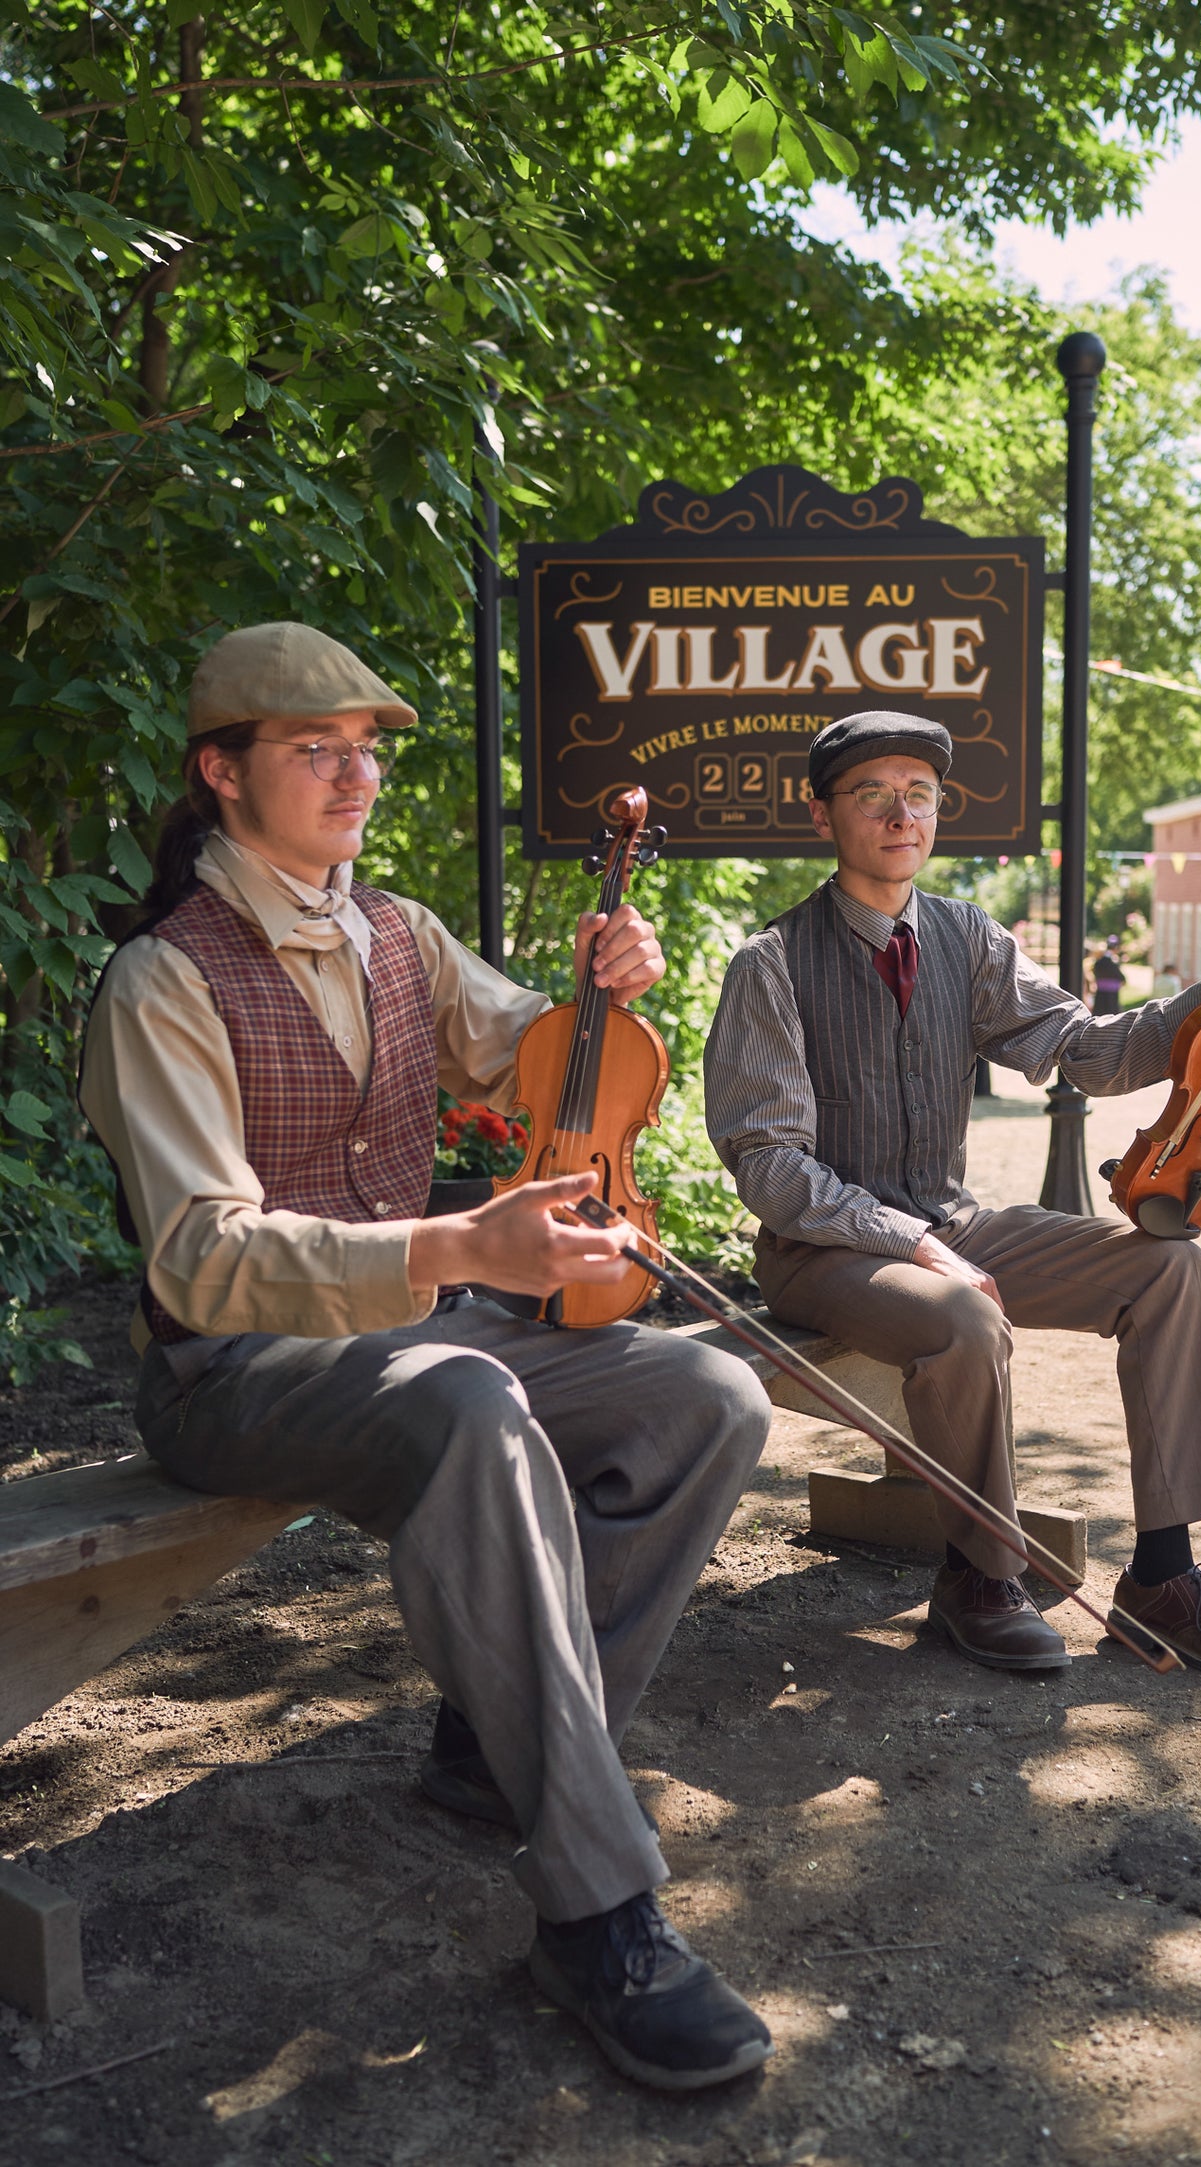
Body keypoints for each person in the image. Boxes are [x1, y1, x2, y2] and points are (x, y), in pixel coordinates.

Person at [80, 622, 775, 2092]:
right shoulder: (163, 978)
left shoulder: (394, 929)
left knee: (706, 1387)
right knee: (471, 1396)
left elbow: (527, 1048)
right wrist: (456, 1250)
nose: (358, 771)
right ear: (223, 773)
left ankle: (490, 1747)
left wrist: (602, 987)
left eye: (368, 744)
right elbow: (199, 1257)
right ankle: (596, 1908)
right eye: (314, 746)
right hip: (234, 1371)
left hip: (413, 1329)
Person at [704, 710, 1201, 1687]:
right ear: (822, 814)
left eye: (918, 792)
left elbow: (1084, 1049)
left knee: (1166, 1266)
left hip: (948, 1222)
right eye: (871, 792)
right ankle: (976, 1576)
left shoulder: (964, 937)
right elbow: (769, 1166)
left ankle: (1161, 1578)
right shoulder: (767, 964)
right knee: (963, 1321)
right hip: (823, 1253)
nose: (901, 812)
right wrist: (913, 1242)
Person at [1090, 934, 1126, 1015]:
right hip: (1111, 994)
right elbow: (1119, 975)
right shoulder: (1113, 961)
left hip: (1100, 993)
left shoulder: (1099, 961)